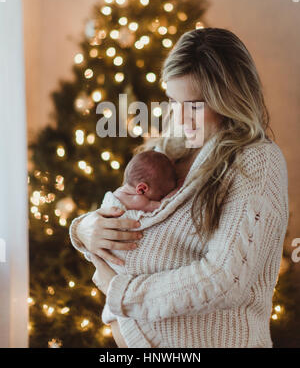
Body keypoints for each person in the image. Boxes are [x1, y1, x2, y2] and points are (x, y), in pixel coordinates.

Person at [69, 28, 289, 348]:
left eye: (195, 105)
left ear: (230, 99)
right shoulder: (169, 148)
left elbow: (226, 280)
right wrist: (84, 229)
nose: (180, 117)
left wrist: (124, 293)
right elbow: (125, 209)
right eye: (173, 101)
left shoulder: (256, 161)